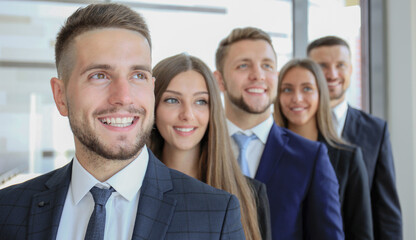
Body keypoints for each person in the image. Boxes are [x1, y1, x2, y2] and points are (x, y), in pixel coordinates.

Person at [0, 4, 245, 240]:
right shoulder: (8, 210)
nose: (124, 97)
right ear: (60, 96)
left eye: (138, 75)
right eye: (99, 75)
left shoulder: (216, 215)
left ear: (151, 88)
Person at [213, 27, 344, 240]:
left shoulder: (310, 157)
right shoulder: (201, 149)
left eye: (267, 65)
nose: (258, 75)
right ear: (219, 80)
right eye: (243, 65)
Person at [149, 53, 271, 240]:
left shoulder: (251, 193)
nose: (187, 115)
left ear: (212, 110)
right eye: (172, 100)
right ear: (153, 106)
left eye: (200, 101)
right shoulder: (131, 188)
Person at [307, 36, 402, 239]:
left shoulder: (375, 130)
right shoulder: (294, 127)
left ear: (351, 69)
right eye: (322, 66)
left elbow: (386, 210)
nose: (332, 74)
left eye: (340, 65)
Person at [274, 58, 373, 239]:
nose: (297, 98)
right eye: (287, 89)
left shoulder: (348, 158)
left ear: (321, 94)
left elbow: (361, 232)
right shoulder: (267, 152)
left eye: (307, 89)